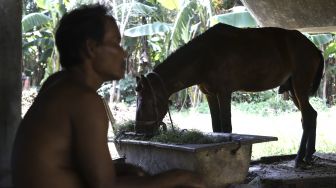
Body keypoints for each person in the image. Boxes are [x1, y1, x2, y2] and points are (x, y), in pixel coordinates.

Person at [11, 4, 205, 188]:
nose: (124, 52)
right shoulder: (84, 100)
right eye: (116, 43)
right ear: (91, 48)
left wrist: (118, 169)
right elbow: (104, 187)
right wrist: (178, 176)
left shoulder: (57, 83)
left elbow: (68, 161)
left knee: (134, 174)